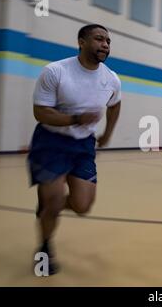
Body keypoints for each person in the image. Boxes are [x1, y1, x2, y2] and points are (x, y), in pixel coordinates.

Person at [28, 24, 122, 275]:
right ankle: (45, 247)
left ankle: (49, 205)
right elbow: (41, 112)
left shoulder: (111, 78)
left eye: (108, 41)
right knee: (54, 199)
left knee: (82, 205)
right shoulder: (56, 71)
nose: (105, 44)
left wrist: (107, 134)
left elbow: (115, 105)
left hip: (83, 145)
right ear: (81, 42)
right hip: (51, 142)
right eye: (99, 39)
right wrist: (76, 119)